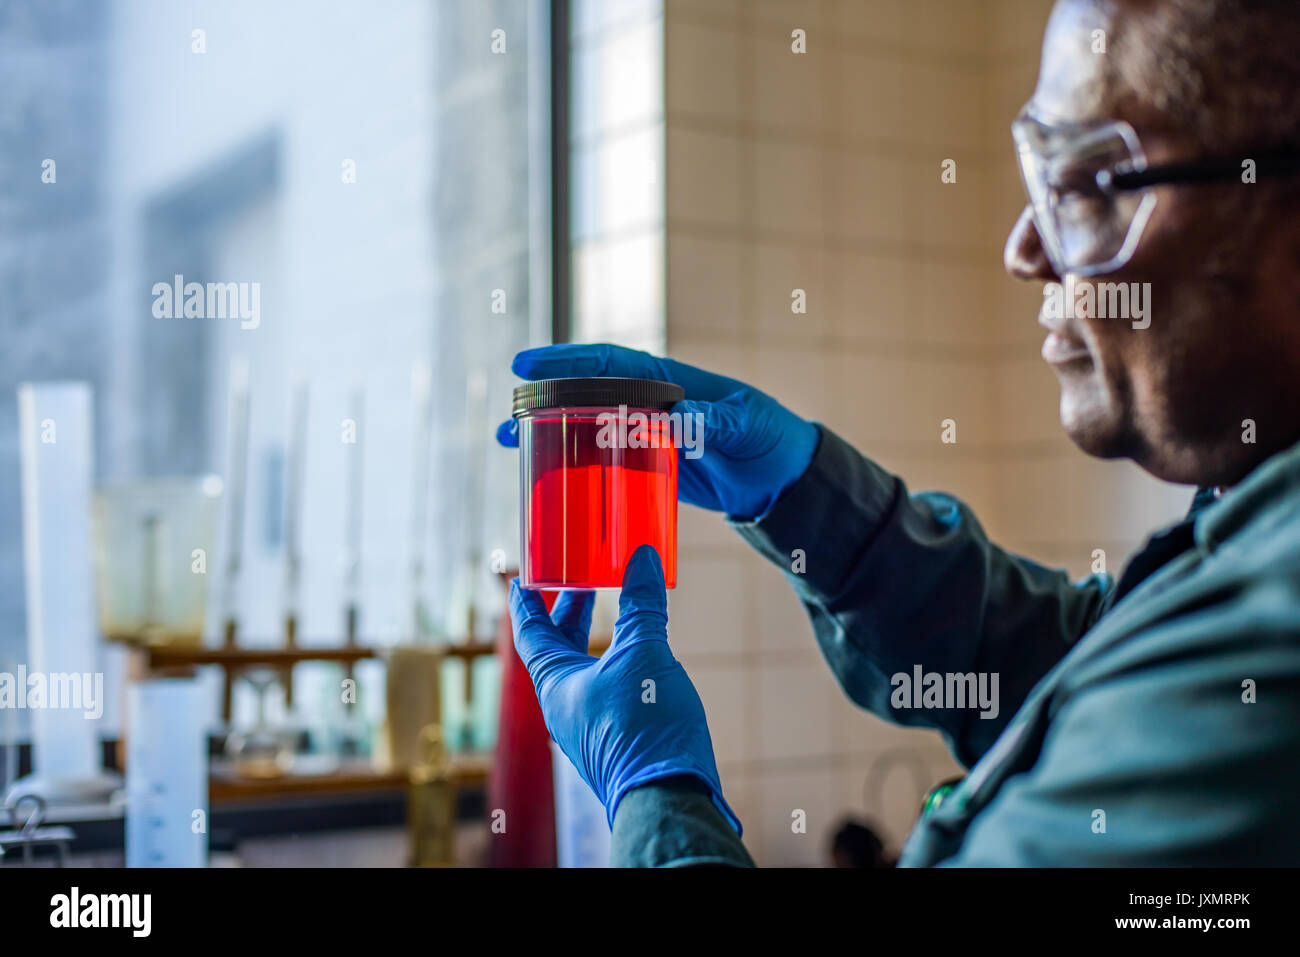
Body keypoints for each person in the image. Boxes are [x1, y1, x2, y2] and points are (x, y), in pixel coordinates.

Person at [500, 0, 1300, 866]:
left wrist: (652, 792)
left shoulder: (1268, 654)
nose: (1026, 248)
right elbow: (1072, 663)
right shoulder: (1249, 545)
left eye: (1083, 185)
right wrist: (812, 502)